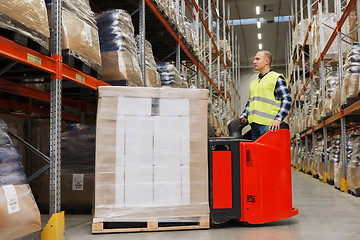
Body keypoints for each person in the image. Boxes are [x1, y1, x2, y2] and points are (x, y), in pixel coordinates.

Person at [240, 50, 292, 141]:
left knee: (268, 154)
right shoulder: (254, 83)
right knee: (257, 154)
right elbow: (250, 102)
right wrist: (243, 116)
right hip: (254, 125)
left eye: (257, 59)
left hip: (269, 126)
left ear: (266, 61)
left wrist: (278, 119)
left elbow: (287, 99)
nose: (254, 62)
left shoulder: (276, 78)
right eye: (254, 59)